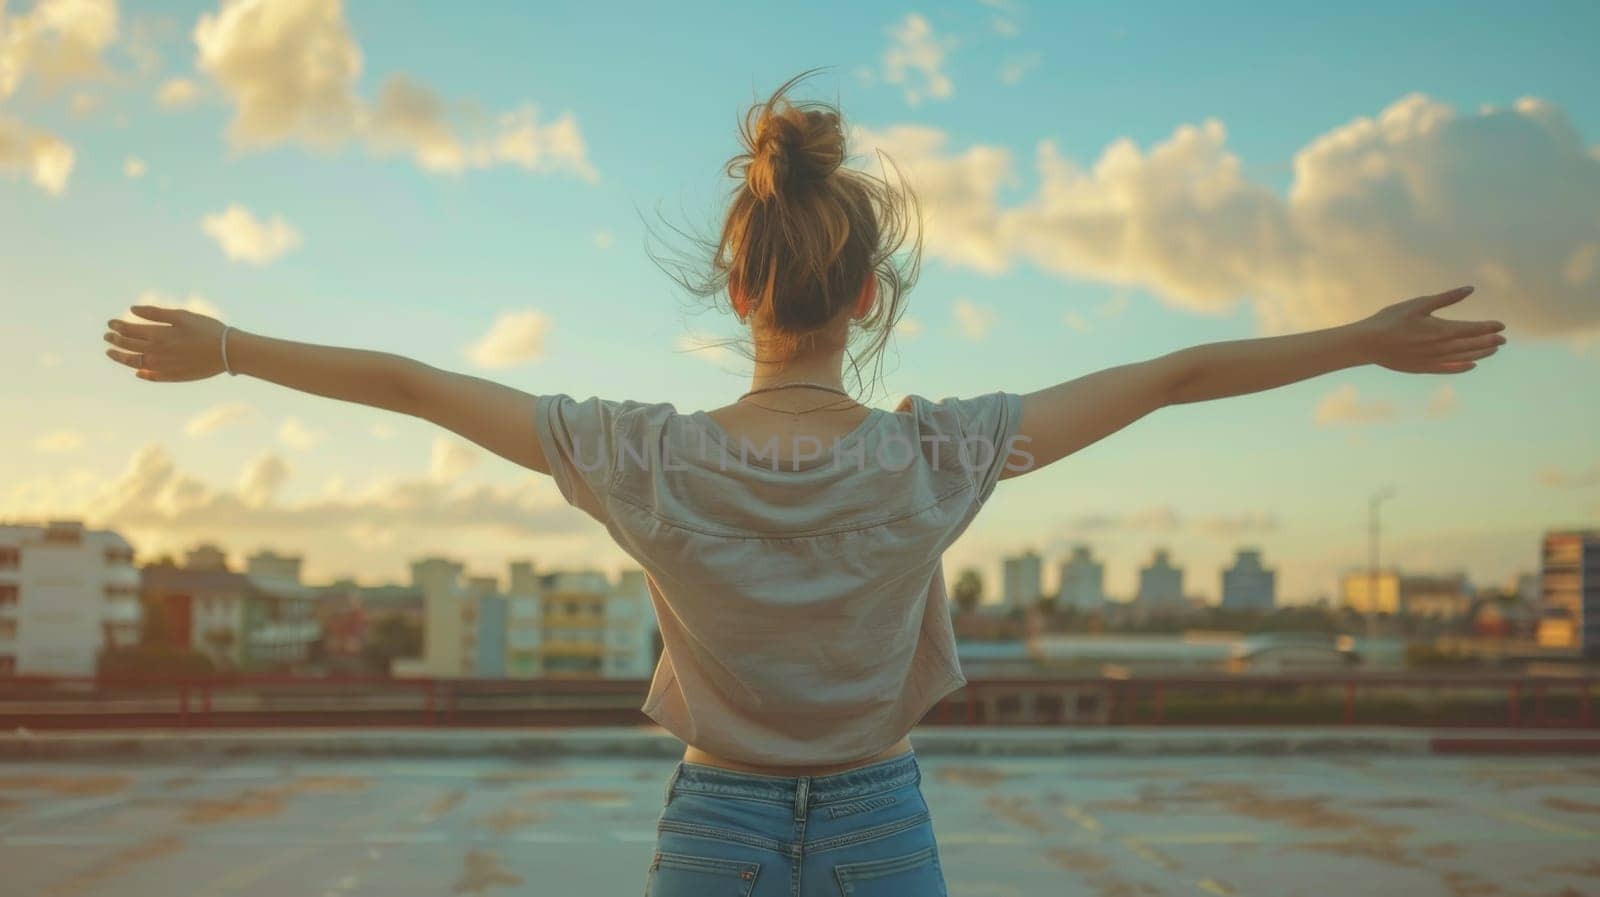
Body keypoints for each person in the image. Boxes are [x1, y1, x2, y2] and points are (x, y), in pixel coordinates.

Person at [101, 73, 1505, 897]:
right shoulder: (936, 456)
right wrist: (1364, 344)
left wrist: (230, 350)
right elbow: (1177, 373)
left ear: (736, 282)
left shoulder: (643, 457)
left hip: (711, 826)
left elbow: (413, 382)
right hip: (884, 822)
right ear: (872, 291)